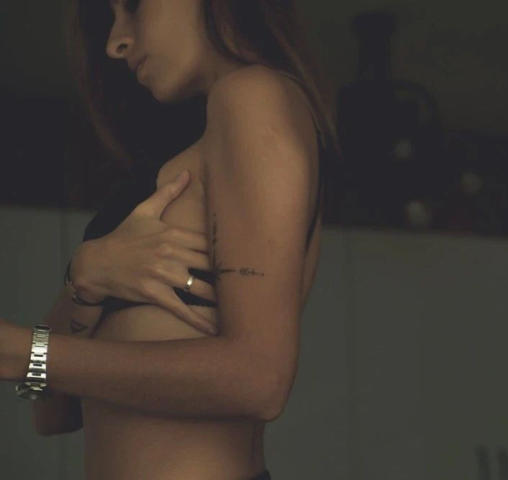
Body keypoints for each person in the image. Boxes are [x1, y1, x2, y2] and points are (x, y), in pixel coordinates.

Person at [0, 0, 341, 478]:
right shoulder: (182, 150)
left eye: (133, 6)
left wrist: (23, 351)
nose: (115, 43)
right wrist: (84, 284)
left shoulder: (252, 95)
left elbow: (260, 379)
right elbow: (51, 414)